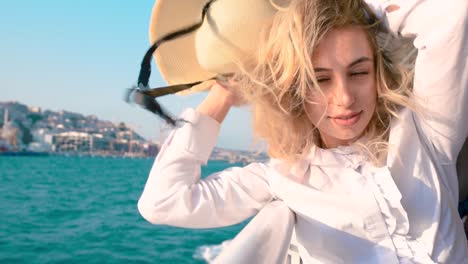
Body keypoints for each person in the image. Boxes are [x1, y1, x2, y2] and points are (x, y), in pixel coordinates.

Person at [137, 0, 468, 262]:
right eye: (320, 79)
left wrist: (362, 12)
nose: (345, 99)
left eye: (359, 72)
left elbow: (452, 15)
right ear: (293, 90)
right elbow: (164, 202)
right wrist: (222, 95)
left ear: (378, 72)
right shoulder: (282, 179)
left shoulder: (423, 131)